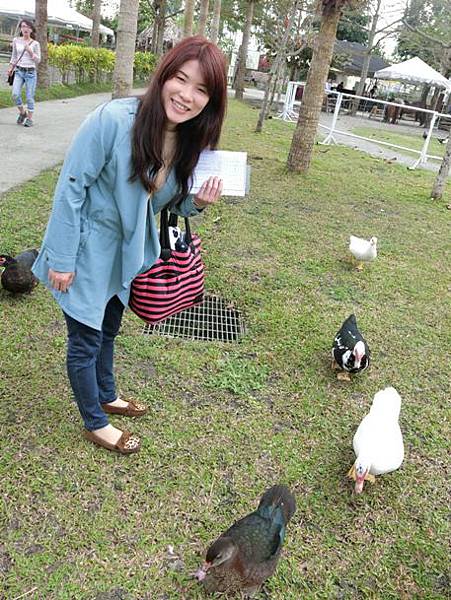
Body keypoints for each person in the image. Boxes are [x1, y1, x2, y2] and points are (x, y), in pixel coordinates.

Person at [32, 36, 227, 455]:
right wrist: (63, 258)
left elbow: (156, 202)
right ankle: (95, 422)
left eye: (201, 90)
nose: (186, 95)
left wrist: (196, 202)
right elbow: (71, 189)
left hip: (126, 257)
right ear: (163, 76)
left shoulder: (184, 140)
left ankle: (108, 395)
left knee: (108, 331)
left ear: (210, 101)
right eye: (181, 79)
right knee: (84, 341)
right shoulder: (112, 119)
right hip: (85, 252)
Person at [7, 19, 41, 127]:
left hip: (30, 73)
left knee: (29, 96)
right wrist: (10, 67)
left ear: (31, 29)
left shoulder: (35, 44)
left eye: (27, 27)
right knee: (15, 94)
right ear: (21, 29)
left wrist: (30, 51)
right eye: (22, 26)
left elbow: (38, 60)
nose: (25, 29)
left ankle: (29, 119)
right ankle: (22, 113)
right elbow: (14, 56)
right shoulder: (16, 40)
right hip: (19, 71)